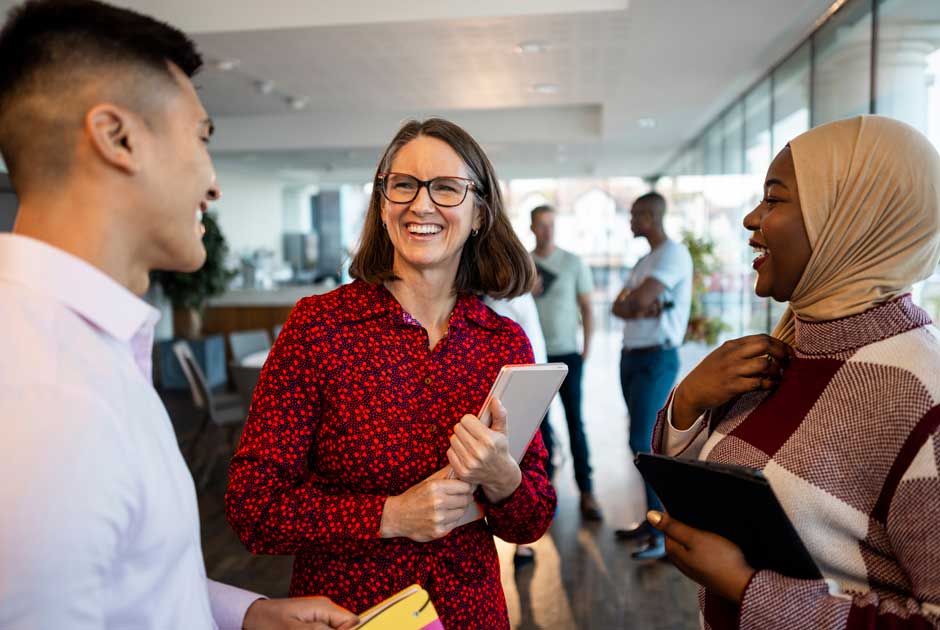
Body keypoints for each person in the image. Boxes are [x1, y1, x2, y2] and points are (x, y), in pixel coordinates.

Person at [0, 2, 359, 629]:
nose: (214, 183)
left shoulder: (90, 349)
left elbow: (130, 581)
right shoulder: (44, 396)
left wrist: (247, 613)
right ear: (118, 138)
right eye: (200, 136)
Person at [226, 118, 557, 630]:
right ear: (383, 206)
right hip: (348, 615)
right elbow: (254, 507)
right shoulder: (319, 327)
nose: (421, 205)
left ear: (478, 214)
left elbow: (533, 520)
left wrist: (502, 478)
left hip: (471, 613)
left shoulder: (504, 342)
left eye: (447, 188)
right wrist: (390, 516)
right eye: (403, 185)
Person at [644, 116, 940, 629]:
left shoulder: (920, 396)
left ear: (849, 219)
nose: (751, 219)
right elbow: (714, 486)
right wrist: (689, 402)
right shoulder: (786, 347)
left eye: (775, 200)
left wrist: (745, 588)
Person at [611, 192, 692, 560]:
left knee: (644, 440)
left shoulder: (673, 254)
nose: (629, 222)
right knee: (639, 440)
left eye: (633, 215)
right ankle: (652, 519)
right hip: (631, 356)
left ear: (649, 216)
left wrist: (638, 304)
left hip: (656, 357)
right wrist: (636, 304)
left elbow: (638, 302)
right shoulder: (645, 260)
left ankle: (664, 533)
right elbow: (620, 306)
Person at [530, 204, 603, 521]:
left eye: (551, 225)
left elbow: (587, 307)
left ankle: (587, 491)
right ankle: (544, 492)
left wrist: (586, 348)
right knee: (539, 428)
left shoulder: (573, 263)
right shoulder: (523, 264)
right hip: (533, 358)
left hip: (567, 354)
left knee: (575, 423)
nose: (547, 230)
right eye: (542, 225)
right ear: (532, 228)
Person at [483, 291, 548, 569]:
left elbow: (534, 350)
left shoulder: (515, 305)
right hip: (498, 390)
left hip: (520, 388)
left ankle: (523, 548)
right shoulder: (481, 302)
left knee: (521, 459)